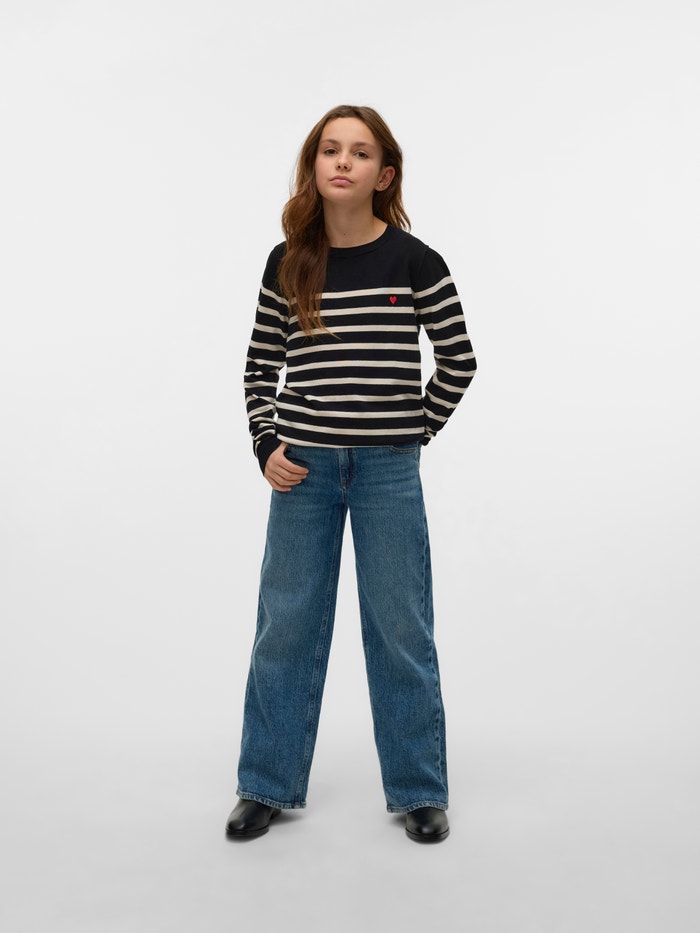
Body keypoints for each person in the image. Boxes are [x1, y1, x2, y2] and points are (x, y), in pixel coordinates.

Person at [226, 105, 476, 843]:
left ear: (384, 174)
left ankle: (419, 789)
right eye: (330, 149)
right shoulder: (288, 262)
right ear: (314, 166)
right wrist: (265, 443)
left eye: (361, 153)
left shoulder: (416, 262)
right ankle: (265, 784)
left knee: (400, 626)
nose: (343, 161)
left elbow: (459, 360)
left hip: (387, 474)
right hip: (302, 471)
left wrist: (413, 430)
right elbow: (258, 366)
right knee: (286, 625)